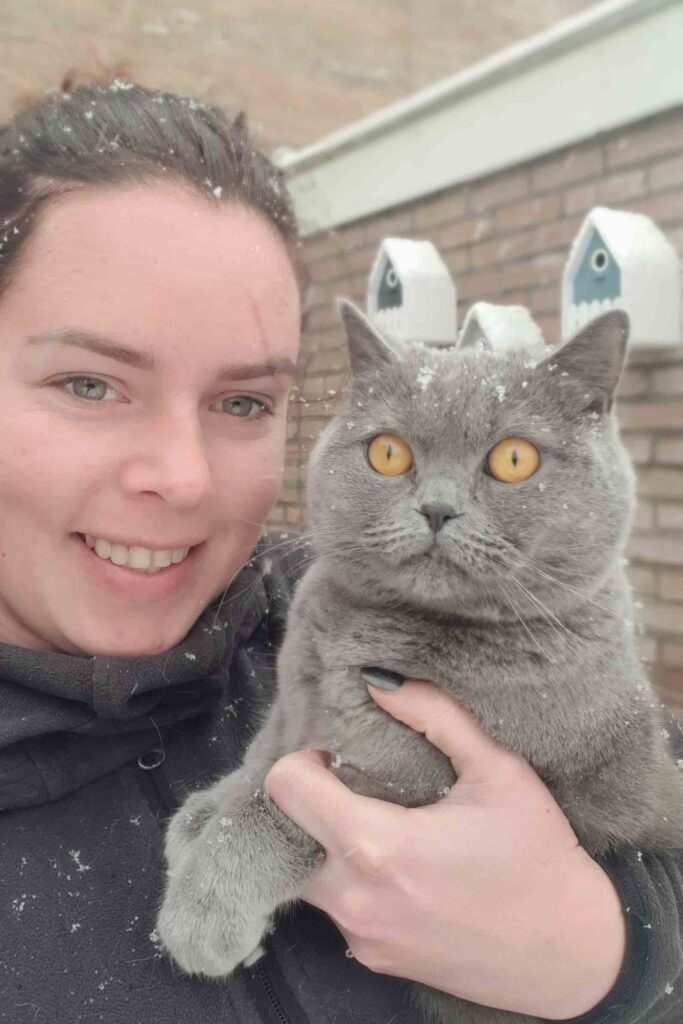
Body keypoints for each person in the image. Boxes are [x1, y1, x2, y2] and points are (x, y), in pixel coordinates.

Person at [0, 68, 680, 1024]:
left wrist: (612, 950)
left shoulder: (313, 600)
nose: (181, 478)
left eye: (242, 402)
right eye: (89, 384)